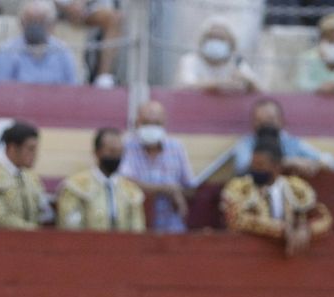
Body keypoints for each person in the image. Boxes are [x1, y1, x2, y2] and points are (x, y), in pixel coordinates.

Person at [221, 135, 333, 258]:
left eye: (260, 165)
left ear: (277, 167)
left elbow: (324, 217)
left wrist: (307, 230)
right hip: (249, 259)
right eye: (253, 165)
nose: (255, 170)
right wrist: (281, 229)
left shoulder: (296, 188)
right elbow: (235, 220)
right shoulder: (239, 188)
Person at [119, 99, 196, 234]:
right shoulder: (127, 146)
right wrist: (168, 189)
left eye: (156, 123)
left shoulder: (176, 147)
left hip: (172, 229)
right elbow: (125, 183)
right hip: (136, 228)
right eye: (146, 123)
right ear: (137, 123)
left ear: (164, 124)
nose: (151, 128)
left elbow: (190, 188)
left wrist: (176, 192)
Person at [56, 127, 145, 231]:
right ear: (97, 152)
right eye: (111, 151)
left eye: (119, 152)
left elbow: (137, 231)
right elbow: (70, 228)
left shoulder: (131, 190)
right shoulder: (75, 186)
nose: (116, 156)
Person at [230, 98, 334, 179]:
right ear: (253, 123)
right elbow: (241, 168)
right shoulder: (246, 143)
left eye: (270, 119)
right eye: (259, 121)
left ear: (281, 121)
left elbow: (330, 162)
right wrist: (287, 162)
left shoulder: (291, 142)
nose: (265, 125)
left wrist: (314, 164)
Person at [0, 0, 81, 85]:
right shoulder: (7, 51)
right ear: (21, 23)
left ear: (52, 25)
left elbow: (72, 90)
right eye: (30, 21)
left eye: (41, 21)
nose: (35, 26)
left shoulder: (63, 52)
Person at [176, 15, 261, 93]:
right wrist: (220, 85)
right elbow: (186, 85)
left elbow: (260, 91)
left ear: (231, 43)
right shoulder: (191, 60)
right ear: (203, 40)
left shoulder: (236, 62)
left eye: (221, 39)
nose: (216, 42)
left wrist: (248, 82)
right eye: (212, 37)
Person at [56, 0, 124, 87]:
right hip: (55, 8)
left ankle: (102, 77)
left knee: (115, 18)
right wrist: (67, 6)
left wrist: (81, 3)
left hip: (87, 8)